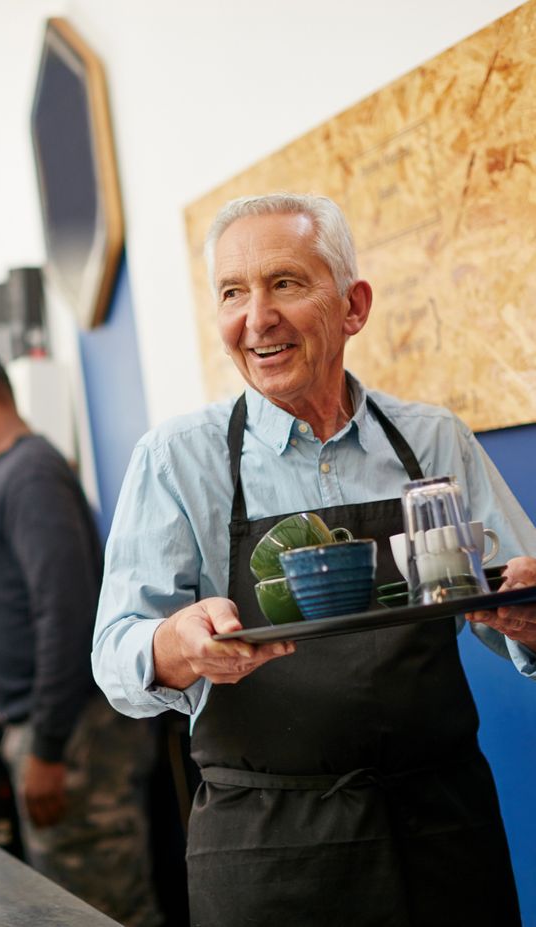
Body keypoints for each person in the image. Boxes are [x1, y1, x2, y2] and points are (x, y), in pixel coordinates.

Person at [92, 193, 536, 927]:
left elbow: (515, 600)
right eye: (232, 292)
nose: (255, 317)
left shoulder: (432, 440)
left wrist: (525, 614)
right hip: (269, 851)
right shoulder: (177, 460)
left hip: (442, 832)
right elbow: (115, 653)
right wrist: (174, 642)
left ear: (353, 306)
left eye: (286, 283)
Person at [0, 349, 162, 927]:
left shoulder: (31, 473)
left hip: (75, 738)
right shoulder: (7, 475)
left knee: (100, 907)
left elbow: (64, 612)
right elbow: (22, 602)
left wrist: (47, 748)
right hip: (54, 730)